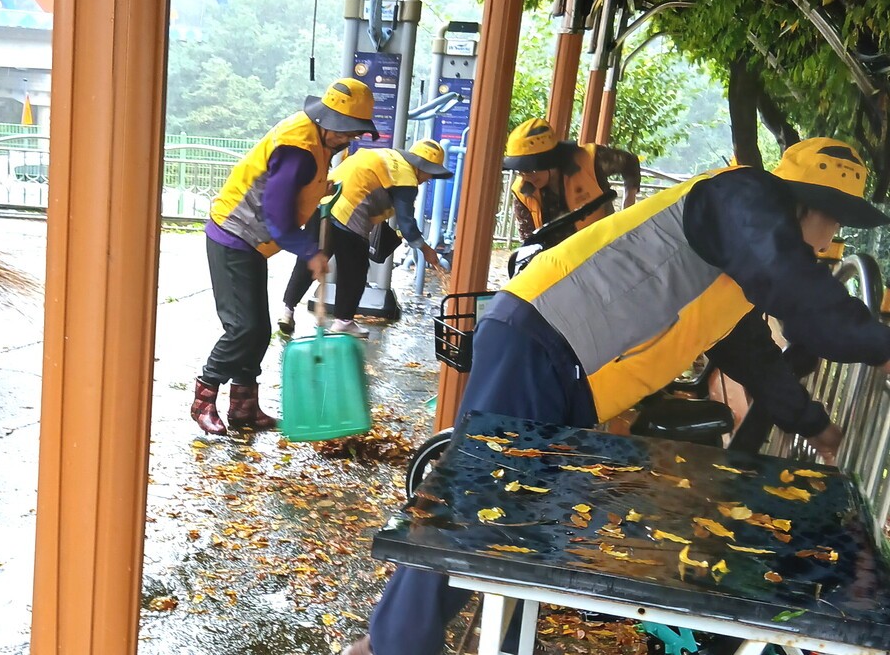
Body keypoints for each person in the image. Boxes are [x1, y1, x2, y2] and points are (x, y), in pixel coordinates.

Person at [345, 137, 890, 655]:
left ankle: (477, 636)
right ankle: (391, 644)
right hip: (541, 339)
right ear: (806, 206)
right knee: (472, 505)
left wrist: (816, 426)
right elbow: (797, 288)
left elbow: (754, 357)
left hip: (568, 364)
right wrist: (880, 347)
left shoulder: (742, 262)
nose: (833, 234)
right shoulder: (742, 196)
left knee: (506, 516)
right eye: (836, 217)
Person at [194, 78, 379, 435]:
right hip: (234, 234)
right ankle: (204, 396)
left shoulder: (316, 138)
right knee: (243, 328)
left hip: (250, 242)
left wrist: (320, 190)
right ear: (328, 123)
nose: (348, 141)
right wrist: (311, 252)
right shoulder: (298, 149)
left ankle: (244, 408)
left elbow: (294, 189)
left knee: (259, 329)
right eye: (346, 133)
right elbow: (278, 219)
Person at [279, 138, 452, 337]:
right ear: (420, 166)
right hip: (350, 213)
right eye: (429, 171)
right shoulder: (406, 178)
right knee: (354, 270)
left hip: (324, 203)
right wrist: (425, 249)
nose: (428, 178)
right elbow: (406, 224)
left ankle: (287, 310)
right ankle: (343, 321)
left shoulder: (386, 155)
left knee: (310, 260)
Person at [504, 116, 642, 243]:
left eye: (531, 170)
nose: (527, 177)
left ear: (549, 162)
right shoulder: (522, 192)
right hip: (557, 261)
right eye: (521, 171)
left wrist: (628, 206)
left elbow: (629, 162)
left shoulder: (591, 160)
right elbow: (528, 240)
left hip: (601, 250)